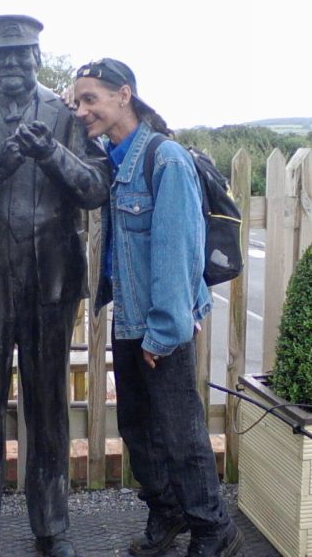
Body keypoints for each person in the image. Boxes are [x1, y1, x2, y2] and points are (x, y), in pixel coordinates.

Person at [0, 15, 110, 557]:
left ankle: (52, 527)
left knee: (48, 405)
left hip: (48, 283)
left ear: (37, 58)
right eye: (1, 57)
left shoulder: (65, 117)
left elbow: (95, 188)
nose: (11, 65)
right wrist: (1, 164)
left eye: (21, 55)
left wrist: (50, 154)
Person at [72, 58, 243, 557]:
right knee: (138, 430)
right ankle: (165, 513)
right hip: (130, 318)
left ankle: (214, 529)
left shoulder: (163, 159)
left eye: (91, 99)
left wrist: (164, 333)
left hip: (159, 323)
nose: (82, 110)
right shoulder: (113, 155)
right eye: (77, 101)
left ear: (124, 95)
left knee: (181, 432)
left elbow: (177, 252)